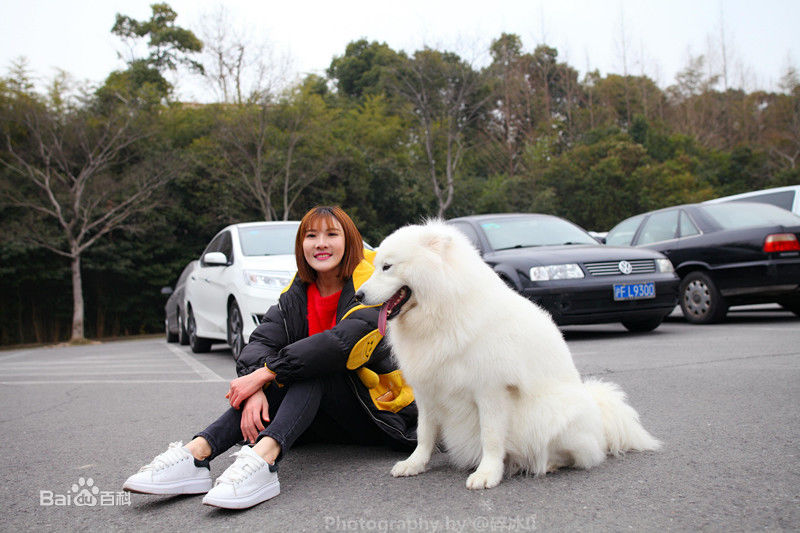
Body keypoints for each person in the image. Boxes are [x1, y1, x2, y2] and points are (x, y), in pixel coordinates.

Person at [123, 206, 417, 509]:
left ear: (350, 241)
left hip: (375, 414)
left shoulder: (375, 287)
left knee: (313, 367)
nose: (320, 243)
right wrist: (255, 390)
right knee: (288, 369)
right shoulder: (296, 293)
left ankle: (263, 459)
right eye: (311, 235)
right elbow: (260, 342)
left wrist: (265, 374)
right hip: (314, 416)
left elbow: (340, 345)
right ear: (301, 244)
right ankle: (196, 454)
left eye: (332, 234)